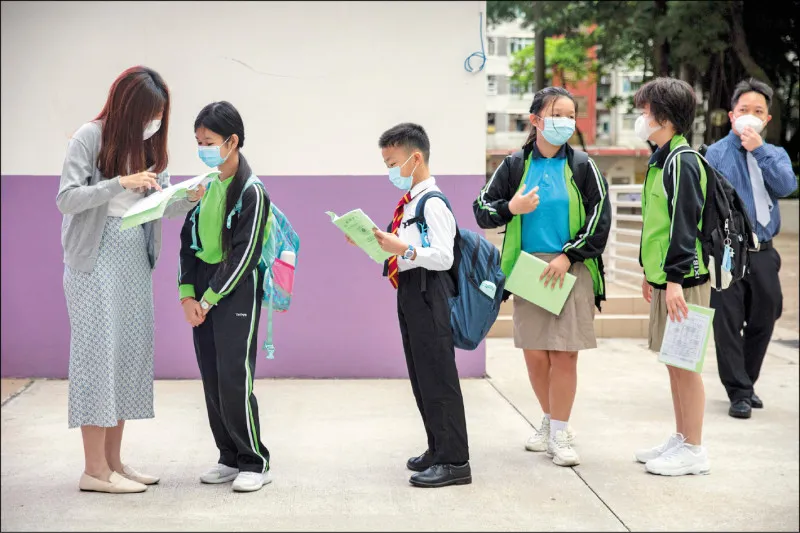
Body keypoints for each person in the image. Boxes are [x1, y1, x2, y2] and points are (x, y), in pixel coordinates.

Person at [57, 66, 204, 493]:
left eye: (158, 115)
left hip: (133, 257)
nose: (152, 123)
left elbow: (158, 208)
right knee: (95, 358)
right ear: (127, 108)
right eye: (147, 114)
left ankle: (114, 463)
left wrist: (184, 199)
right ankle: (93, 471)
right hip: (93, 257)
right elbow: (67, 199)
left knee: (125, 356)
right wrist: (118, 182)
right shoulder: (90, 136)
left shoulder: (148, 146)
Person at [473, 87, 610, 467]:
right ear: (535, 120)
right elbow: (482, 209)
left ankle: (561, 433)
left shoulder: (583, 165)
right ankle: (550, 421)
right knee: (535, 355)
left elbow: (601, 218)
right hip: (528, 270)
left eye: (571, 115)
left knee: (564, 354)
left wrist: (569, 256)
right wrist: (511, 207)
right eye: (558, 114)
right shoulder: (514, 165)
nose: (566, 122)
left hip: (571, 269)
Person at [365, 123, 471, 488]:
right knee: (421, 374)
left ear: (416, 158)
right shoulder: (410, 201)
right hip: (411, 289)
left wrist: (404, 249)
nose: (390, 171)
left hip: (430, 291)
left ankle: (456, 461)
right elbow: (407, 249)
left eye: (393, 162)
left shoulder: (433, 203)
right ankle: (437, 447)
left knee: (439, 376)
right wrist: (376, 242)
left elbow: (443, 257)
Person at [178, 101, 272, 493]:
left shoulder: (253, 192)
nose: (203, 149)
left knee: (235, 377)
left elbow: (245, 254)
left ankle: (255, 460)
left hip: (234, 293)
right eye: (198, 142)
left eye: (210, 141)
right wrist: (187, 296)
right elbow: (188, 243)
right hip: (201, 292)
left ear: (232, 142)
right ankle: (228, 457)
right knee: (212, 377)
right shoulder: (205, 187)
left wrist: (210, 299)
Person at [632, 77, 711, 476]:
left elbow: (684, 225)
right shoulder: (662, 159)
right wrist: (652, 273)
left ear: (664, 116)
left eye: (645, 111)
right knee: (673, 361)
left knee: (686, 365)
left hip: (687, 281)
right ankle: (681, 437)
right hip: (668, 278)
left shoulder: (682, 161)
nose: (641, 118)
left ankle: (694, 449)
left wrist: (675, 279)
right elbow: (656, 226)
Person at [705, 78, 797, 420]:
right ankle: (739, 392)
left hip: (764, 251)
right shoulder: (715, 154)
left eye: (758, 111)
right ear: (731, 115)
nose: (750, 115)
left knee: (767, 313)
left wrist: (759, 149)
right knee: (727, 321)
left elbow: (786, 186)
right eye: (744, 110)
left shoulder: (775, 154)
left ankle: (746, 379)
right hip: (728, 251)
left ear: (767, 118)